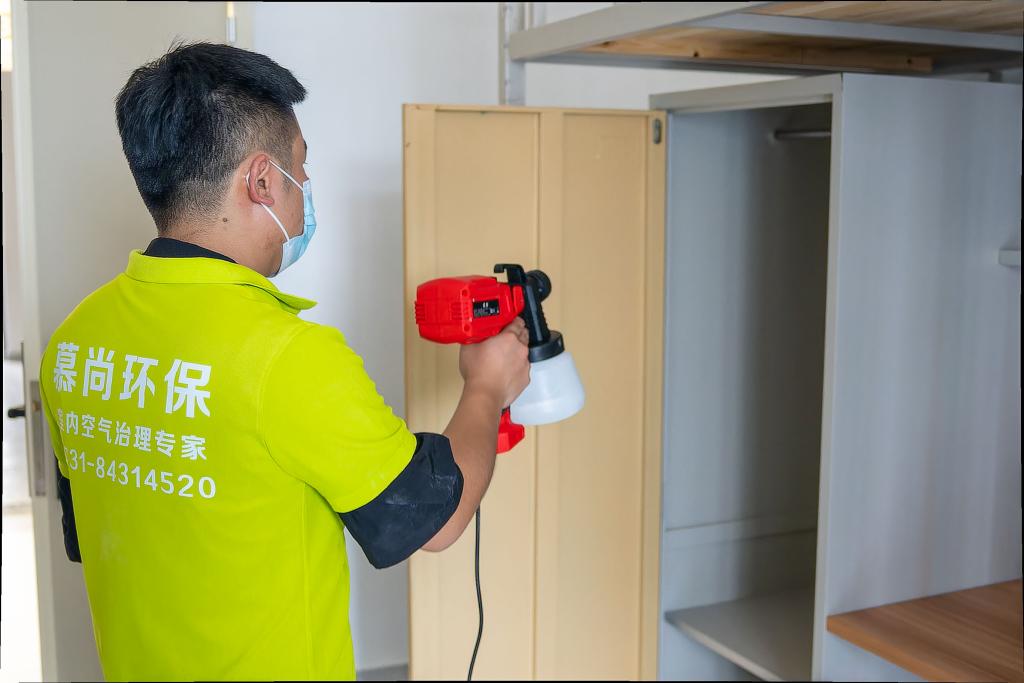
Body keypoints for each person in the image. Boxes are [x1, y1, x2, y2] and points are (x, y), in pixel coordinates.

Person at [38, 41, 530, 681]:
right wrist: (487, 386)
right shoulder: (288, 357)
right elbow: (436, 523)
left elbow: (93, 532)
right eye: (302, 170)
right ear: (263, 180)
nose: (306, 191)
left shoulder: (75, 342)